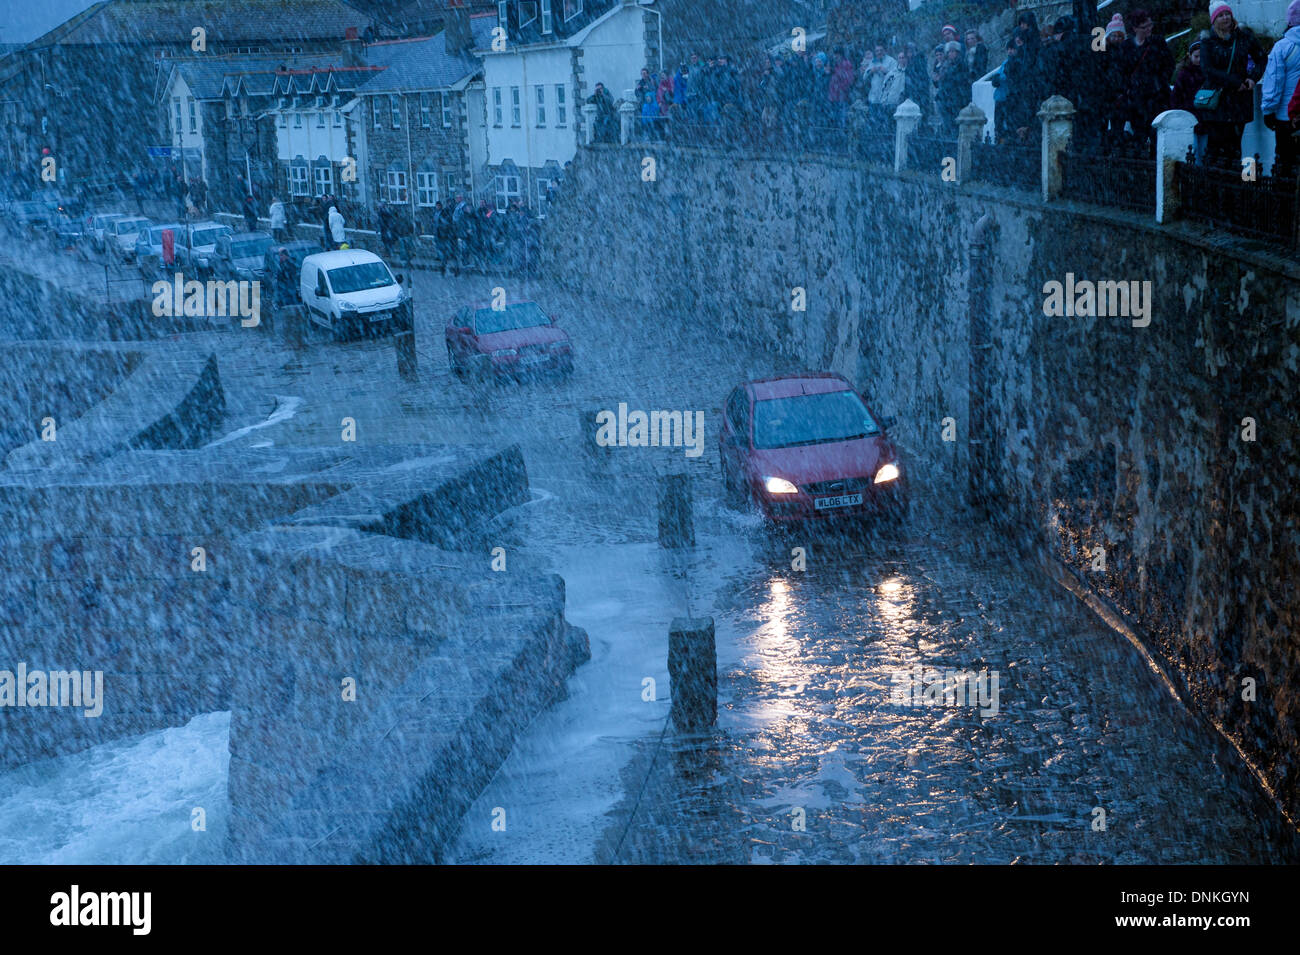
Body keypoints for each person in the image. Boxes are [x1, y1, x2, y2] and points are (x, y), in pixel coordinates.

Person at [1199, 2, 1265, 167]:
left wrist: (1253, 78)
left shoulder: (1243, 36)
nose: (1225, 18)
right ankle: (1214, 185)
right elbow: (1208, 70)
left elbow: (1261, 57)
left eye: (1227, 13)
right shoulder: (1208, 41)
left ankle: (1237, 185)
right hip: (1217, 102)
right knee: (1216, 146)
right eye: (1220, 15)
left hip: (1238, 102)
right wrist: (1235, 82)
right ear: (1214, 20)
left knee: (1235, 146)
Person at [1119, 10, 1174, 154]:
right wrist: (1128, 89)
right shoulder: (1126, 47)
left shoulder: (1158, 42)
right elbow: (1121, 71)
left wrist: (1160, 81)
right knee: (1139, 135)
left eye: (1150, 25)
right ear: (1135, 28)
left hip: (1157, 97)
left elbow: (1169, 64)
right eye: (1145, 26)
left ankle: (1156, 165)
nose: (1149, 28)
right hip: (1136, 100)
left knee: (1157, 134)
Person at [1261, 0, 1300, 175]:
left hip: (1286, 115)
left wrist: (1268, 111)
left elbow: (1274, 83)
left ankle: (1285, 198)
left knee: (1285, 160)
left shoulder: (1282, 47)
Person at [1171, 39, 1210, 163]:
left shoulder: (1208, 73)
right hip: (1189, 116)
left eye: (1201, 56)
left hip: (1204, 117)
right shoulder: (1184, 74)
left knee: (1203, 151)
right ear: (1190, 56)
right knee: (1193, 149)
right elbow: (1176, 96)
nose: (1199, 59)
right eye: (1196, 56)